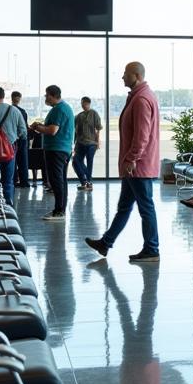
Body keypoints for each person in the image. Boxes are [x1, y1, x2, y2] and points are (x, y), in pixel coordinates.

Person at [85, 62, 161, 262]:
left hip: (138, 166)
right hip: (134, 166)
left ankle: (152, 248)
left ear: (136, 75)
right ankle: (105, 243)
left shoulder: (142, 99)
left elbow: (142, 136)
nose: (122, 77)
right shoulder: (139, 97)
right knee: (125, 206)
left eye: (125, 74)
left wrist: (131, 159)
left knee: (146, 207)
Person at [30, 85, 74, 221]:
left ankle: (59, 211)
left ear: (53, 95)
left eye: (46, 95)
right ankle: (60, 209)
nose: (45, 97)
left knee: (56, 180)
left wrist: (37, 127)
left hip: (56, 149)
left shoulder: (59, 109)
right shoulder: (64, 108)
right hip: (63, 149)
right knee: (61, 180)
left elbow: (52, 130)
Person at [73, 96, 103, 191]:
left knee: (90, 162)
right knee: (76, 161)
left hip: (91, 143)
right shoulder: (78, 116)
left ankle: (88, 183)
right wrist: (74, 144)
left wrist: (98, 142)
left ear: (89, 104)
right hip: (80, 143)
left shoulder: (94, 113)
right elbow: (75, 131)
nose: (83, 105)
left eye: (85, 103)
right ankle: (85, 180)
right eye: (82, 103)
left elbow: (98, 128)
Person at [11, 91, 30, 188]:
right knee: (23, 161)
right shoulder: (23, 111)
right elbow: (25, 126)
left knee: (12, 159)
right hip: (22, 138)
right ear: (19, 98)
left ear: (12, 98)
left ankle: (13, 180)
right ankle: (24, 181)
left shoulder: (9, 110)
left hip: (13, 139)